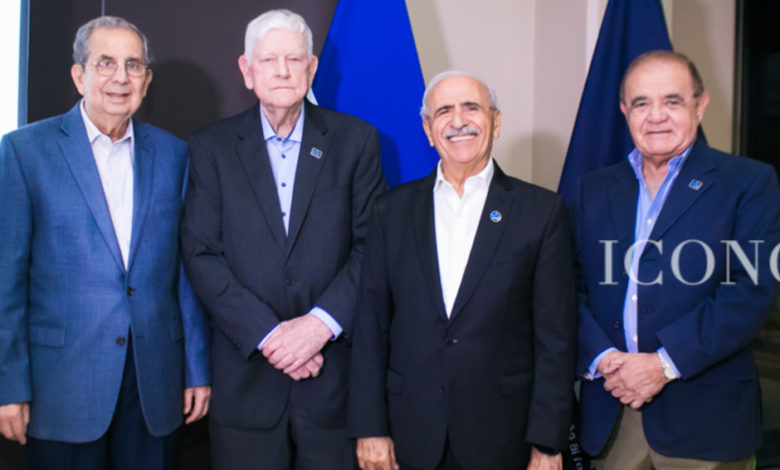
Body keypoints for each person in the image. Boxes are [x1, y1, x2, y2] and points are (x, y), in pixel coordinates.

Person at [0, 16, 211, 470]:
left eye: (133, 65)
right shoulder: (24, 152)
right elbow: (6, 280)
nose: (121, 77)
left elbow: (186, 272)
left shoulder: (175, 155)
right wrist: (8, 385)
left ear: (147, 80)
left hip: (154, 385)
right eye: (106, 63)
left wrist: (196, 368)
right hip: (61, 388)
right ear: (79, 75)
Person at [179, 8, 386, 470]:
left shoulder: (356, 142)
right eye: (268, 60)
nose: (282, 71)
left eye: (294, 59)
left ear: (311, 68)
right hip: (245, 382)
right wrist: (271, 336)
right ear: (246, 70)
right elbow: (200, 253)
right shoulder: (211, 147)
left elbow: (372, 246)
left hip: (334, 384)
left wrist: (317, 327)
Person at [348, 71, 576, 470]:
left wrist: (548, 443)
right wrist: (370, 428)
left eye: (472, 108)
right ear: (428, 130)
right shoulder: (391, 212)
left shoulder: (541, 212)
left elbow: (555, 339)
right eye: (444, 111)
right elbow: (370, 327)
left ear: (496, 121)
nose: (458, 121)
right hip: (409, 435)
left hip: (504, 438)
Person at [574, 50, 780, 469]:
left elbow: (752, 290)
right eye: (641, 103)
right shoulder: (591, 189)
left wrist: (662, 365)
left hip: (705, 420)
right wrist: (604, 359)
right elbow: (566, 286)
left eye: (672, 101)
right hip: (612, 410)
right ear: (624, 111)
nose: (656, 117)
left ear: (699, 106)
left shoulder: (749, 182)